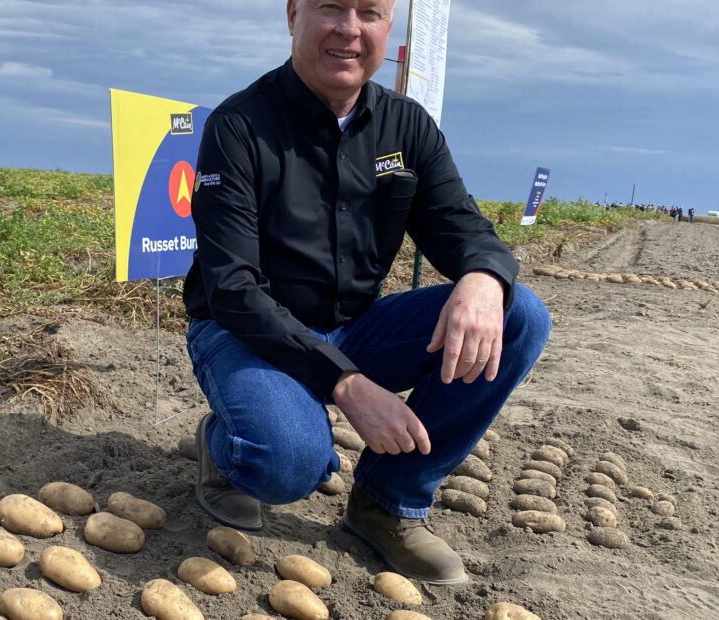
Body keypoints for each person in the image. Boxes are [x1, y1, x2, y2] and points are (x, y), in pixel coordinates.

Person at [182, 0, 551, 586]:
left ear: (388, 27)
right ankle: (225, 449)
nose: (348, 31)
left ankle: (387, 501)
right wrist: (346, 384)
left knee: (519, 314)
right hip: (245, 333)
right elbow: (231, 289)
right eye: (330, 7)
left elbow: (462, 226)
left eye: (370, 12)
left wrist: (484, 276)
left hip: (354, 327)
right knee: (288, 467)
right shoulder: (240, 126)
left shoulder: (406, 127)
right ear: (293, 14)